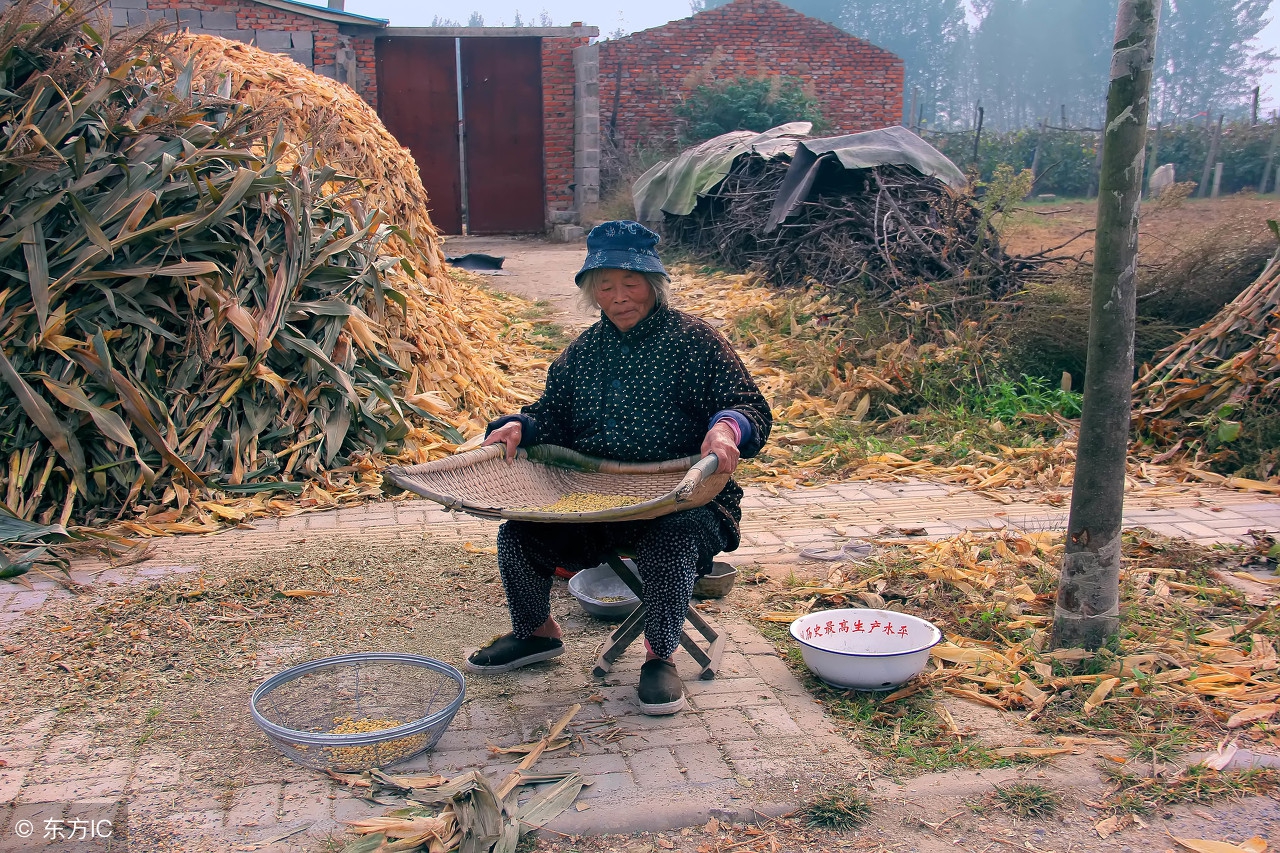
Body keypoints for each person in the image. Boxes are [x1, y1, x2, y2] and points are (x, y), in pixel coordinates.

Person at [468, 220, 772, 716]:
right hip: (600, 498)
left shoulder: (696, 341)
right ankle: (536, 634)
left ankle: (660, 656)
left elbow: (747, 405)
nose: (618, 296)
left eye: (630, 283)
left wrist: (726, 430)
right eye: (604, 286)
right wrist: (521, 425)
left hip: (685, 492)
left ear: (653, 285)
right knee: (519, 534)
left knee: (671, 537)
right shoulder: (583, 354)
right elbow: (554, 415)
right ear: (592, 292)